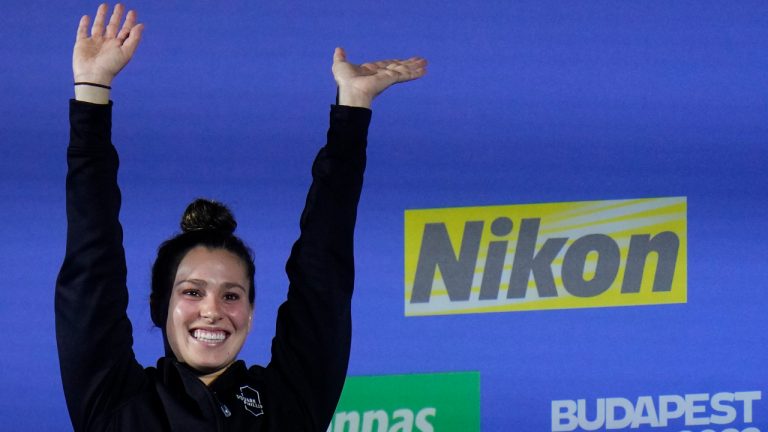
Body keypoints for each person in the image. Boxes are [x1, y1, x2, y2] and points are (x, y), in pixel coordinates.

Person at [56, 3, 427, 431]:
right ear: (159, 306)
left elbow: (323, 273)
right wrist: (92, 89)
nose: (212, 310)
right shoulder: (116, 404)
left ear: (250, 314)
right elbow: (91, 260)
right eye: (192, 291)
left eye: (232, 296)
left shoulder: (288, 404)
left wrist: (353, 107)